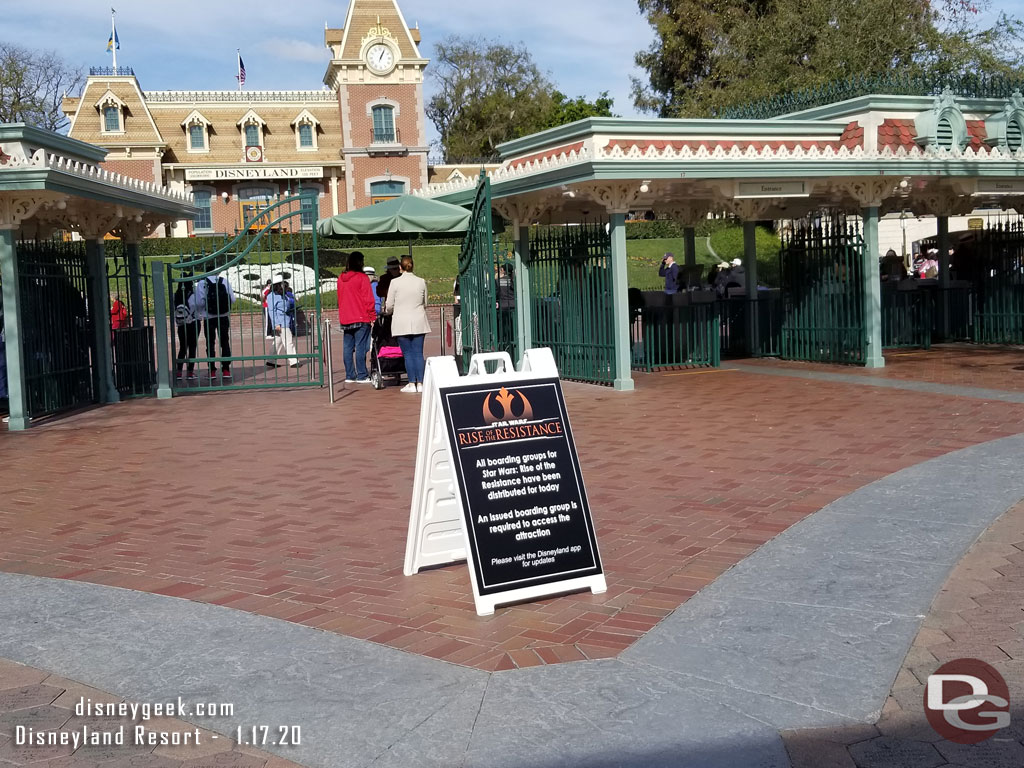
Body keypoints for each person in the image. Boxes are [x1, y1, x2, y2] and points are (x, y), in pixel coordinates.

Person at [385, 255, 430, 393]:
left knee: (408, 354)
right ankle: (421, 382)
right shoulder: (421, 281)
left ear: (400, 267)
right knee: (418, 353)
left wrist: (389, 311)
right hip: (418, 320)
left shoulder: (395, 283)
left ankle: (411, 383)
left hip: (401, 321)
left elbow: (389, 305)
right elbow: (425, 303)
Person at [336, 251, 376, 383]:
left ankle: (350, 374)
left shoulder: (341, 278)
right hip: (360, 316)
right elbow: (368, 299)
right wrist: (372, 316)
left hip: (346, 317)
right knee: (360, 347)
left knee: (347, 347)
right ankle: (362, 374)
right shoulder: (362, 277)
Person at [199, 272, 235, 379]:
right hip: (223, 316)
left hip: (209, 317)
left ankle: (212, 371)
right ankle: (226, 370)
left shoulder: (202, 282)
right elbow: (233, 299)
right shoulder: (224, 281)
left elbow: (199, 302)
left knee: (210, 343)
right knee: (225, 342)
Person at [267, 276, 300, 368]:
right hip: (281, 323)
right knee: (288, 341)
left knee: (278, 341)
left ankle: (271, 360)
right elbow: (272, 311)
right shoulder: (272, 296)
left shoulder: (282, 294)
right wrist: (276, 323)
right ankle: (293, 361)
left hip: (285, 319)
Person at [173, 279, 200, 380]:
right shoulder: (193, 295)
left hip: (181, 324)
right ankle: (190, 372)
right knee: (192, 347)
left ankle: (179, 372)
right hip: (193, 322)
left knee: (182, 347)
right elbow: (198, 306)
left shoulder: (176, 295)